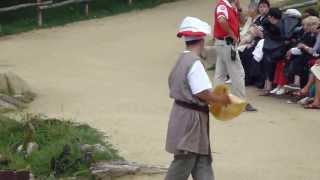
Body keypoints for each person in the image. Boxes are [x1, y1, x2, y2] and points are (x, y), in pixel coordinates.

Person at [165, 17, 231, 180]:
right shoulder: (194, 63)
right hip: (191, 119)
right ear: (201, 41)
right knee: (185, 159)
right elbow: (203, 93)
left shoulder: (181, 59)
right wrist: (220, 100)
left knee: (202, 159)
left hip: (183, 114)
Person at [213, 0, 257, 111]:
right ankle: (240, 102)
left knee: (220, 73)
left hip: (223, 44)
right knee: (237, 72)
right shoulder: (222, 6)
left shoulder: (230, 7)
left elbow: (242, 22)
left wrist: (239, 8)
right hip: (226, 43)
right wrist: (232, 35)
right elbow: (221, 20)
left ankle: (217, 100)